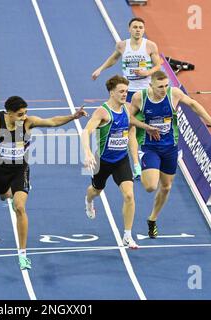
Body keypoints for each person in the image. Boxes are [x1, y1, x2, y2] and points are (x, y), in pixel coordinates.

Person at [0, 96, 87, 270]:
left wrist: (72, 116)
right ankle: (9, 195)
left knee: (20, 207)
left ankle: (23, 254)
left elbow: (52, 122)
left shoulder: (28, 123)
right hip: (0, 171)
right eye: (20, 114)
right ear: (8, 113)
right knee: (3, 196)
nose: (24, 117)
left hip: (20, 169)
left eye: (25, 113)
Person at [129, 71, 211, 238]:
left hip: (170, 148)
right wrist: (146, 127)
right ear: (151, 85)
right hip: (149, 147)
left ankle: (152, 219)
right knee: (151, 186)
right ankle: (146, 169)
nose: (164, 89)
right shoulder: (140, 97)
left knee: (166, 187)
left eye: (166, 85)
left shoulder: (173, 94)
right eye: (160, 86)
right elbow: (128, 118)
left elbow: (193, 104)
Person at [82, 75, 160, 249]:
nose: (125, 94)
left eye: (126, 91)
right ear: (111, 93)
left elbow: (132, 123)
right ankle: (88, 201)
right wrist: (87, 153)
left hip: (120, 160)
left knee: (129, 195)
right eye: (121, 91)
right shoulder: (102, 112)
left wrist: (148, 128)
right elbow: (85, 132)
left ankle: (127, 235)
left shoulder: (127, 108)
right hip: (102, 161)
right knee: (96, 190)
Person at [92, 17, 161, 180]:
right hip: (129, 94)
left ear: (144, 30)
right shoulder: (122, 45)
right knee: (130, 127)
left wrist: (148, 73)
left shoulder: (150, 46)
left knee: (154, 124)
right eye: (135, 27)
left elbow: (158, 65)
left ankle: (158, 155)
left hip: (146, 93)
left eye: (141, 27)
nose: (138, 30)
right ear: (129, 29)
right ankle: (136, 166)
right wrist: (100, 69)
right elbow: (114, 58)